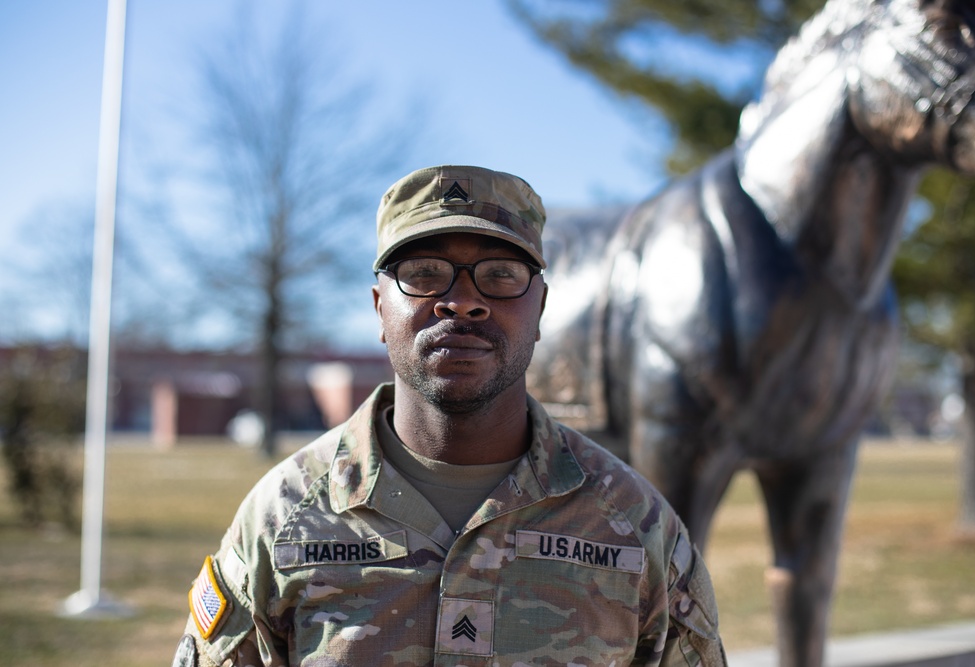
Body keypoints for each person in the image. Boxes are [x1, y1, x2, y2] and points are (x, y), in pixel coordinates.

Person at [173, 165, 728, 667]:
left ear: (540, 311)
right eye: (424, 271)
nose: (461, 301)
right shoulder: (283, 520)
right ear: (379, 309)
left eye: (502, 274)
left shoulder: (634, 524)